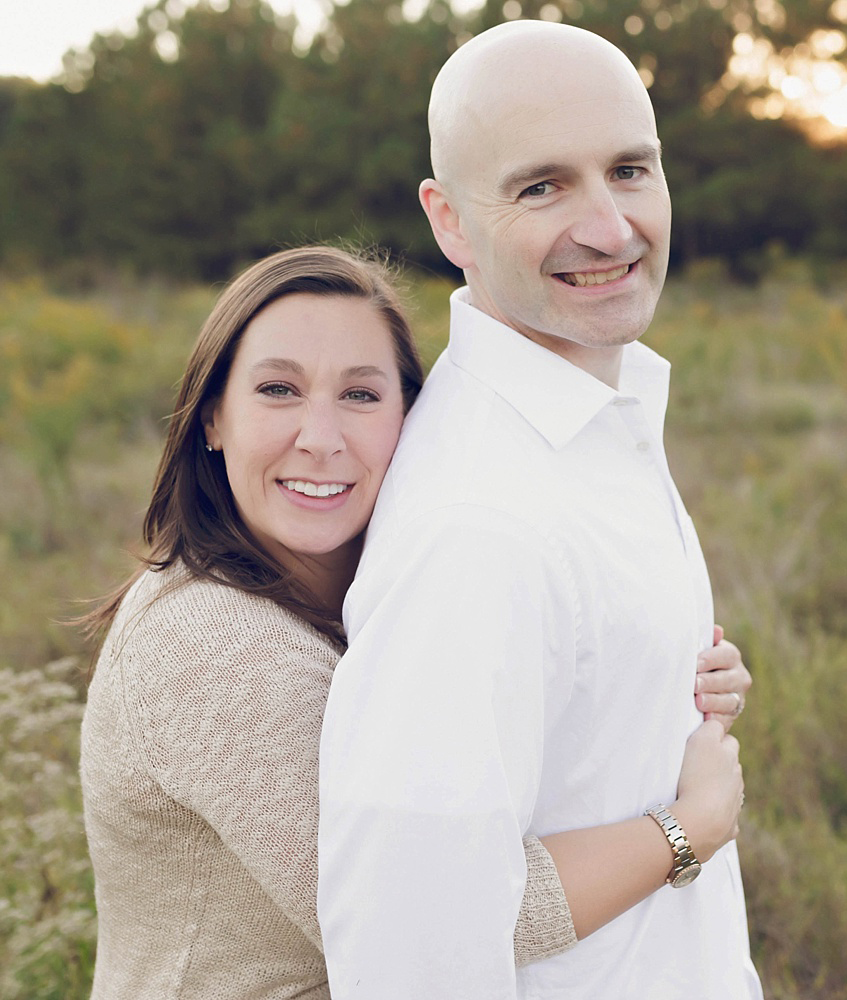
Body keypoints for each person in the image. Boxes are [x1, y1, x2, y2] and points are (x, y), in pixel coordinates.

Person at [78, 245, 751, 998]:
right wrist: (689, 827)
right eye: (278, 390)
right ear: (212, 419)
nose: (321, 437)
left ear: (413, 418)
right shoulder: (210, 644)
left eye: (361, 396)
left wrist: (667, 679)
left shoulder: (394, 587)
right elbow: (443, 907)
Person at [318, 21, 761, 999]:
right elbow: (413, 951)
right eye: (542, 186)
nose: (610, 227)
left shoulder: (603, 418)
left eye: (631, 170)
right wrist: (692, 827)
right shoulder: (477, 521)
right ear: (448, 222)